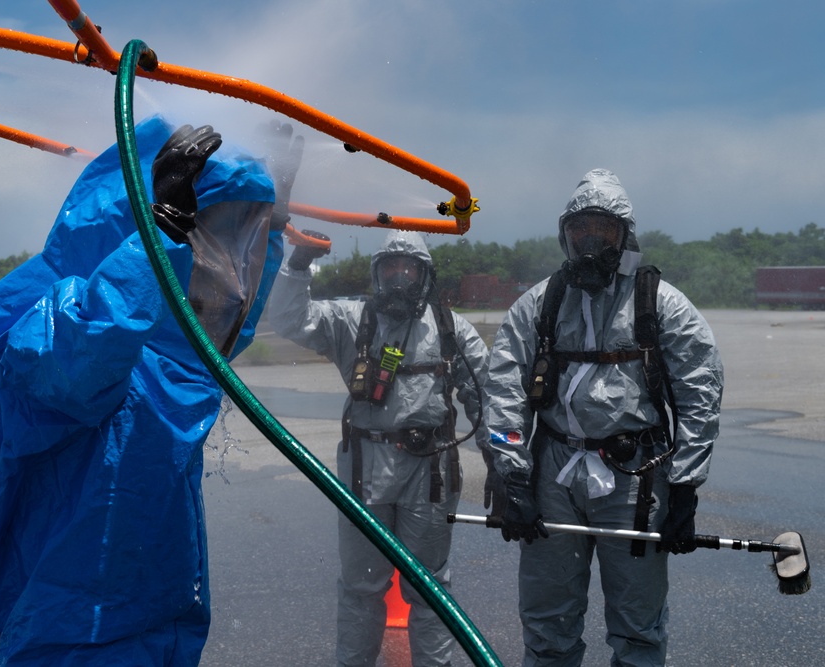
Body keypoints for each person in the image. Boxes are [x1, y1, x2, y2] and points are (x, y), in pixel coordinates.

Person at [0, 115, 302, 665]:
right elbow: (85, 358)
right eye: (216, 237)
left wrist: (272, 227)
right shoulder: (54, 323)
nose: (227, 266)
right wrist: (161, 233)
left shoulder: (182, 361)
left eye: (237, 241)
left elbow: (233, 318)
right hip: (70, 633)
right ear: (140, 222)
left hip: (159, 626)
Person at [483, 168, 724, 666]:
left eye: (604, 230)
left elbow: (701, 389)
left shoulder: (661, 303)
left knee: (638, 629)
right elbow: (504, 386)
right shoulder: (539, 304)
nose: (590, 242)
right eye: (580, 230)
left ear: (625, 235)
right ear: (565, 235)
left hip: (636, 481)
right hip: (553, 475)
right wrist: (512, 476)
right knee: (548, 623)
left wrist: (685, 487)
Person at [269, 228, 492, 667]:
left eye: (409, 269)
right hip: (363, 470)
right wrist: (296, 268)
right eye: (391, 267)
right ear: (377, 272)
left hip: (428, 472)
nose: (399, 277)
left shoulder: (451, 328)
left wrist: (504, 466)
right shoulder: (351, 321)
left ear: (424, 275)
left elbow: (487, 398)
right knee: (361, 588)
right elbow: (290, 319)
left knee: (429, 589)